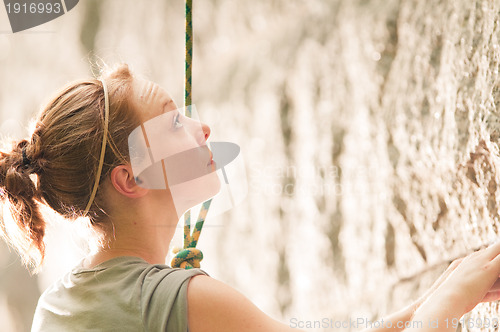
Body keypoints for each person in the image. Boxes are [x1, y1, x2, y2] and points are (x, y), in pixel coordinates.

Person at [0, 63, 499, 332]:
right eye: (176, 121)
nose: (202, 128)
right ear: (130, 179)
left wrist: (444, 290)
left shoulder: (60, 307)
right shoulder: (179, 301)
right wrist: (451, 302)